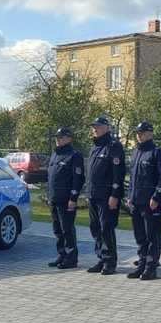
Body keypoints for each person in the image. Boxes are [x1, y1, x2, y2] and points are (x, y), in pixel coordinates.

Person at [126, 121, 161, 280]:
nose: (139, 135)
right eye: (137, 133)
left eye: (142, 133)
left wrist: (157, 197)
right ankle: (142, 263)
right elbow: (133, 178)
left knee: (152, 236)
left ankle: (151, 267)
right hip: (136, 201)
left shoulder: (157, 153)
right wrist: (130, 196)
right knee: (140, 236)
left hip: (151, 203)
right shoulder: (136, 152)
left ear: (150, 133)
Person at [85, 116, 126, 275]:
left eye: (99, 126)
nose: (95, 129)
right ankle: (101, 258)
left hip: (107, 196)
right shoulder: (95, 147)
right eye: (94, 127)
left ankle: (110, 261)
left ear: (107, 128)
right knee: (95, 228)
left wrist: (115, 195)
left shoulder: (113, 146)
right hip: (93, 195)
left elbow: (118, 173)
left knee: (106, 228)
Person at [46, 127, 84, 269]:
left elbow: (78, 178)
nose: (58, 139)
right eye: (57, 137)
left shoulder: (74, 155)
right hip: (54, 198)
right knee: (57, 229)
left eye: (61, 137)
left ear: (69, 138)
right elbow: (51, 177)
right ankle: (61, 254)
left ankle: (71, 258)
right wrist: (49, 195)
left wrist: (73, 198)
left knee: (67, 229)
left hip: (66, 199)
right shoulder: (55, 154)